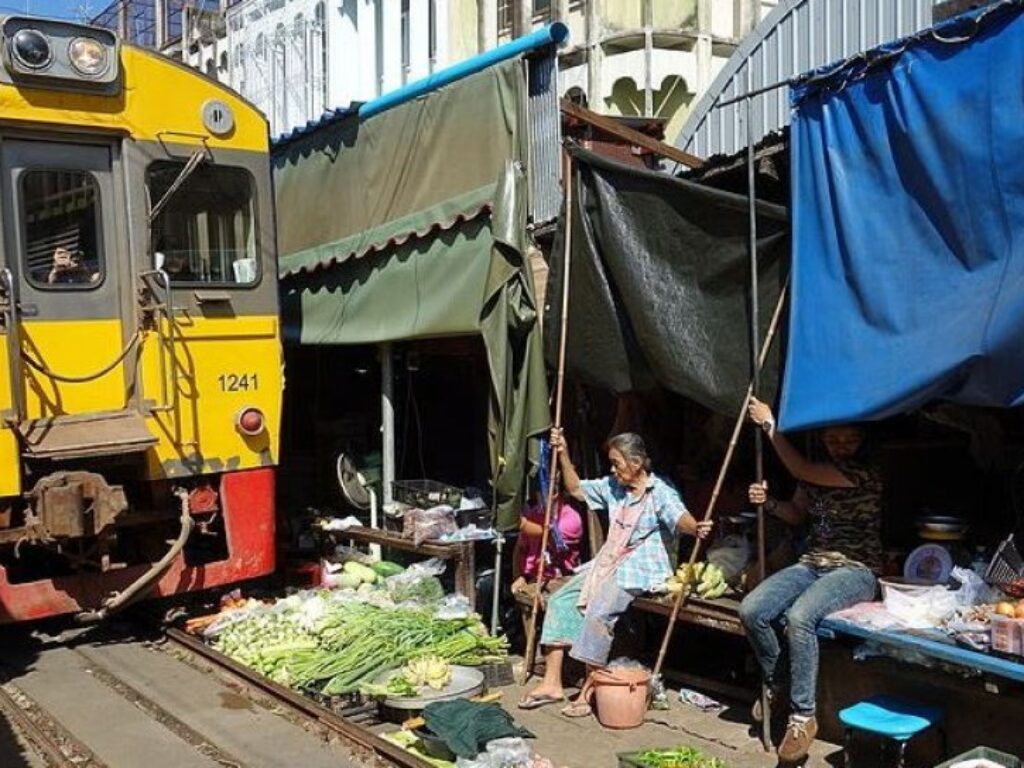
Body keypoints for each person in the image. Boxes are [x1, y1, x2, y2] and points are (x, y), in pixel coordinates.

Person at [518, 428, 712, 717]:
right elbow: (576, 489)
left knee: (598, 611)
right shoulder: (614, 487)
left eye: (616, 463)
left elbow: (679, 516)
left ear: (636, 463)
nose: (612, 469)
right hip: (609, 562)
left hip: (640, 569)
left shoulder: (660, 492)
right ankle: (552, 683)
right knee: (560, 600)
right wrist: (564, 454)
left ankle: (589, 690)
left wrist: (696, 528)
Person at [738, 397, 882, 764]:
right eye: (834, 440)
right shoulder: (815, 476)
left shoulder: (863, 473)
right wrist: (769, 503)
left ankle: (802, 717)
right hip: (812, 563)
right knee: (752, 609)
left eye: (850, 439)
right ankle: (779, 680)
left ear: (863, 440)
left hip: (855, 569)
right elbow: (796, 514)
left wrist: (770, 426)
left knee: (800, 617)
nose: (842, 446)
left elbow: (799, 467)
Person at [510, 487, 583, 594]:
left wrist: (520, 523)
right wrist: (520, 577)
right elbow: (520, 548)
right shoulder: (533, 515)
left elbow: (548, 534)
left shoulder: (571, 519)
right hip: (532, 580)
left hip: (560, 582)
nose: (537, 496)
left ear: (554, 493)